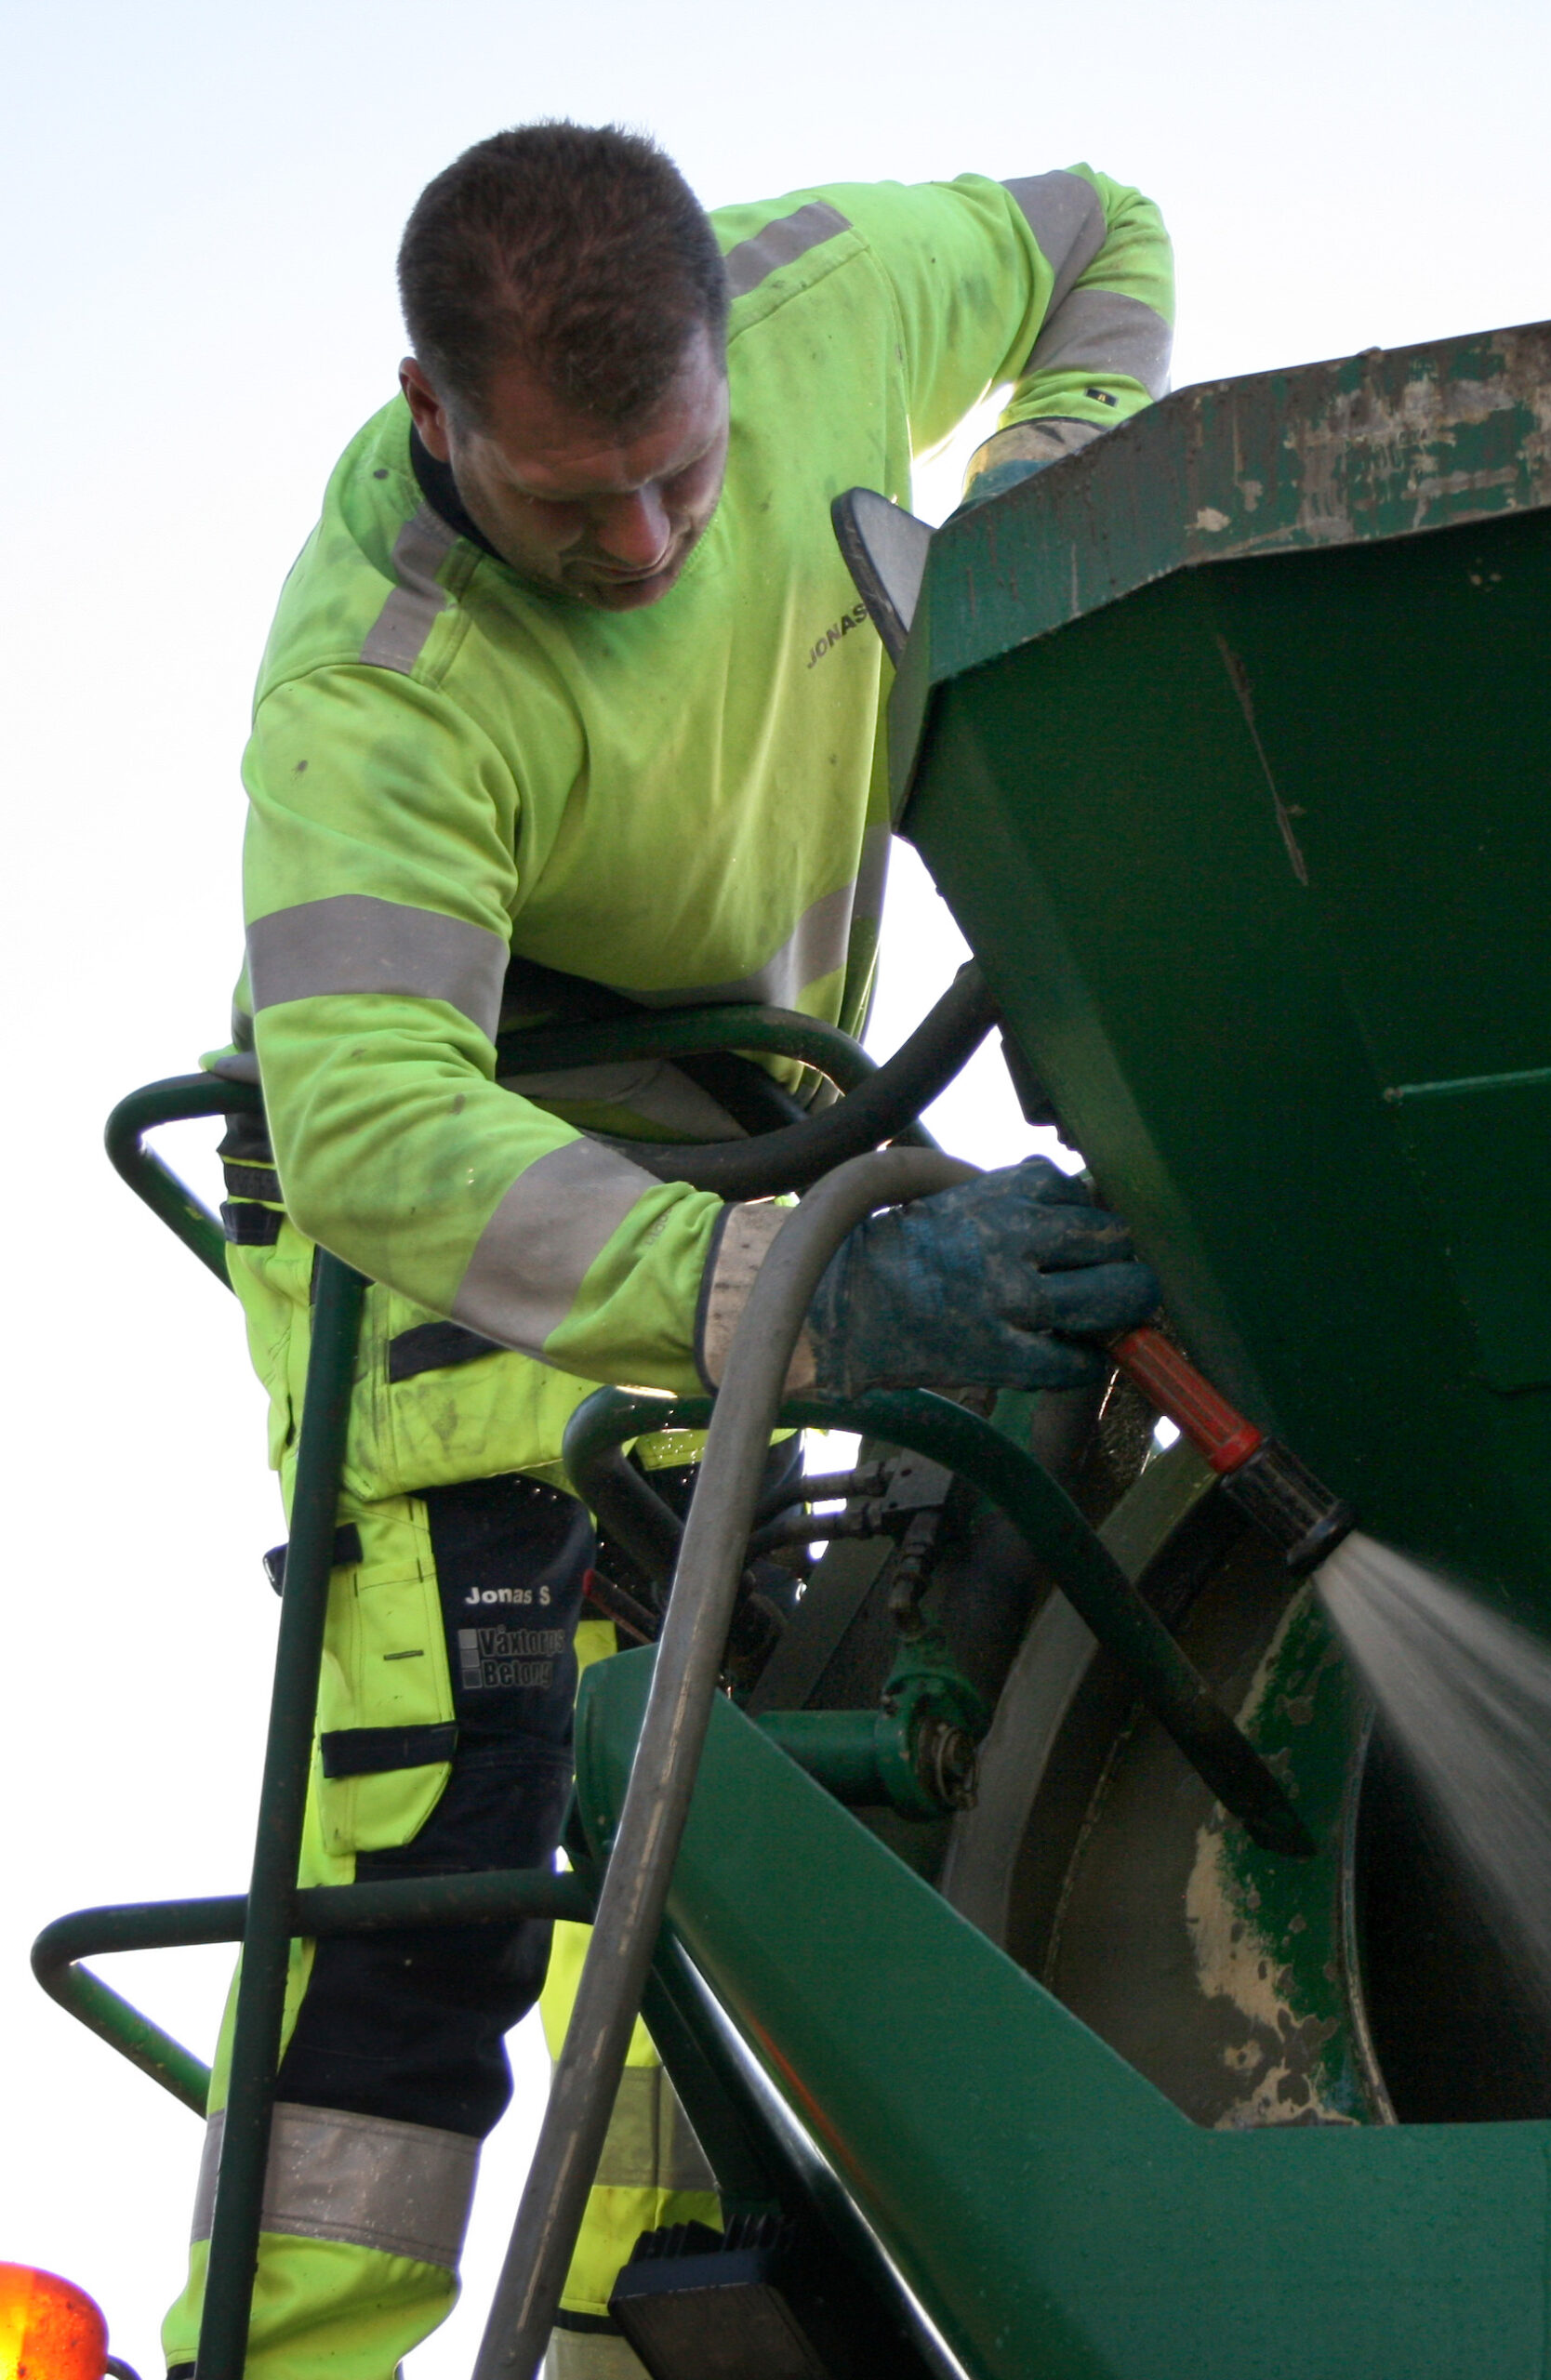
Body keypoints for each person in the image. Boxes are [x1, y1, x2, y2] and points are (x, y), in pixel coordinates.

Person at [165, 121, 1172, 2380]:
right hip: (444, 1178)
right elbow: (368, 1125)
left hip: (746, 1122)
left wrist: (1042, 496)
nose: (633, 547)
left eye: (681, 484)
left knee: (711, 1775)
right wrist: (785, 1292)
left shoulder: (832, 296)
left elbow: (1102, 229)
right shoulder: (380, 674)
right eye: (561, 504)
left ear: (734, 353)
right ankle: (288, 2352)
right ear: (436, 419)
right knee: (471, 1765)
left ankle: (644, 2335)